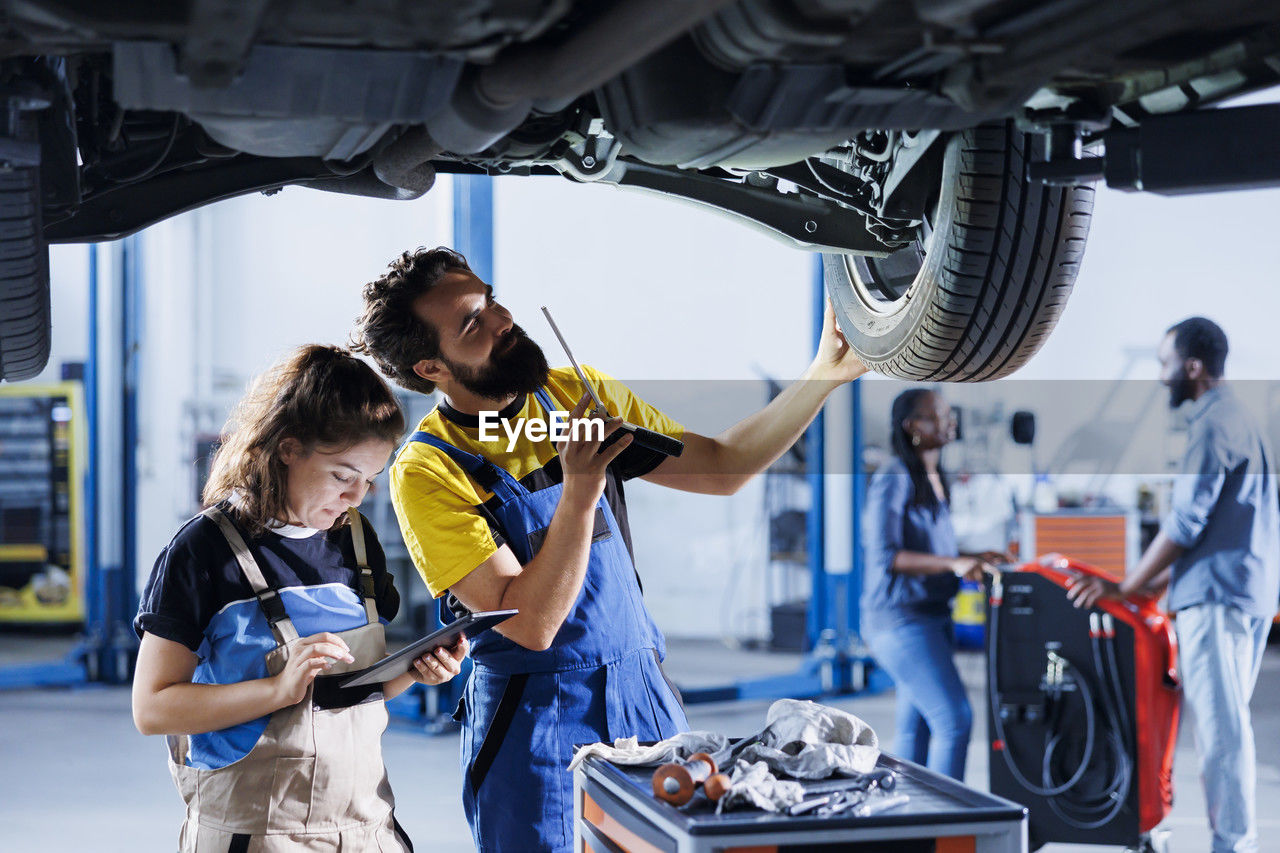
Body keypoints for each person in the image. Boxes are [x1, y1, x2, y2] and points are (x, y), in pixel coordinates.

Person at [351, 246, 868, 852]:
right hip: (536, 720)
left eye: (489, 301)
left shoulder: (576, 393)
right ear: (431, 368)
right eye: (471, 323)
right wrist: (579, 490)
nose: (501, 321)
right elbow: (533, 623)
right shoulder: (429, 470)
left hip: (643, 691)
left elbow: (723, 467)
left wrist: (823, 376)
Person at [131, 344, 470, 852]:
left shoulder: (354, 542)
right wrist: (276, 691)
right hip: (256, 834)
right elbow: (152, 709)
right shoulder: (201, 553)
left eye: (370, 480)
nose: (357, 498)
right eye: (343, 475)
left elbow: (347, 696)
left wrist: (412, 672)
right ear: (287, 448)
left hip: (366, 829)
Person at [1068, 317, 1279, 853]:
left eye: (1165, 365)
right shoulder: (1243, 418)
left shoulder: (1211, 426)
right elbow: (1213, 527)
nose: (1161, 378)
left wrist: (1124, 586)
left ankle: (1232, 846)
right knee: (1227, 726)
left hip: (1217, 599)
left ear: (1192, 366)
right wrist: (1150, 587)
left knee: (1222, 736)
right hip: (1245, 590)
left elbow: (1185, 524)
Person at [860, 388, 1005, 782]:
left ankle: (914, 824)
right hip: (900, 621)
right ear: (913, 428)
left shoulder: (935, 477)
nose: (950, 421)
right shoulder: (894, 477)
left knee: (917, 728)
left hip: (932, 619)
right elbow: (886, 555)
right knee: (955, 719)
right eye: (938, 415)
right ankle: (946, 828)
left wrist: (972, 555)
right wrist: (956, 562)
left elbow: (930, 548)